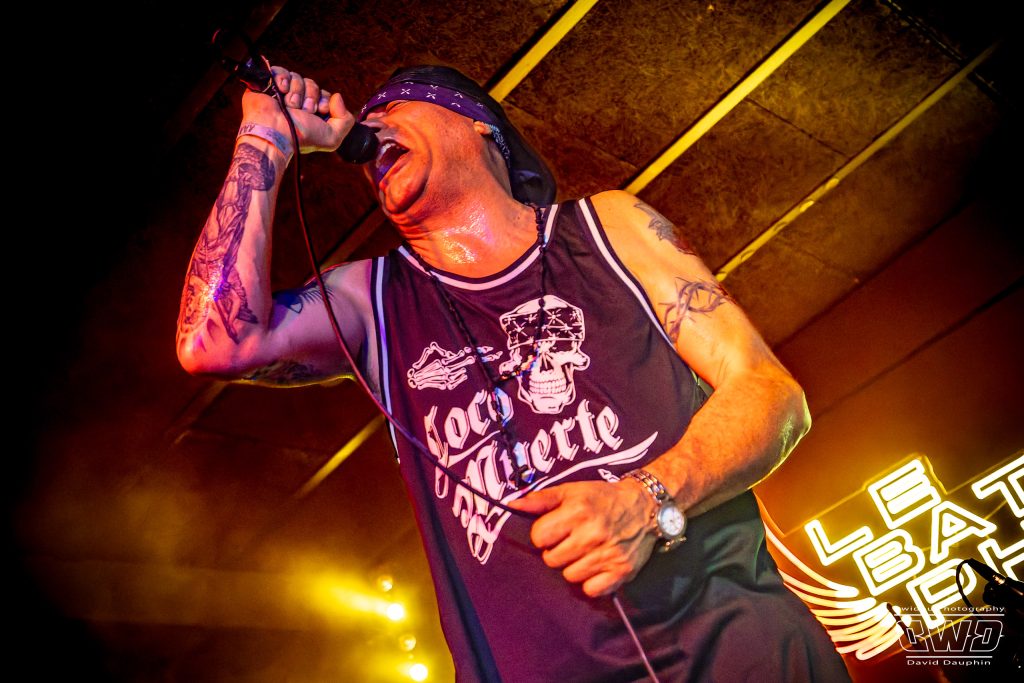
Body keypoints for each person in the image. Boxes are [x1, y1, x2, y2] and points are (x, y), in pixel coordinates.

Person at [177, 63, 851, 682]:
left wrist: (649, 500)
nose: (371, 126)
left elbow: (771, 392)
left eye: (394, 108)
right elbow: (214, 344)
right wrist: (263, 138)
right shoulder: (372, 299)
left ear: (479, 124)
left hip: (745, 659)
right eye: (367, 121)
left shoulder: (607, 228)